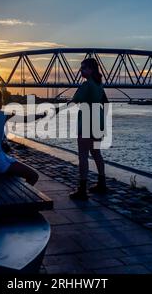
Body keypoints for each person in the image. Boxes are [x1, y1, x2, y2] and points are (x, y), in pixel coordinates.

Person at [57, 58, 109, 200]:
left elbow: (74, 101)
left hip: (86, 122)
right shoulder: (99, 85)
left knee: (83, 155)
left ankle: (82, 190)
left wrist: (57, 109)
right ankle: (102, 183)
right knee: (96, 153)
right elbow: (105, 102)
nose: (81, 70)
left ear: (91, 69)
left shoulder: (86, 85)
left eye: (83, 68)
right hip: (98, 122)